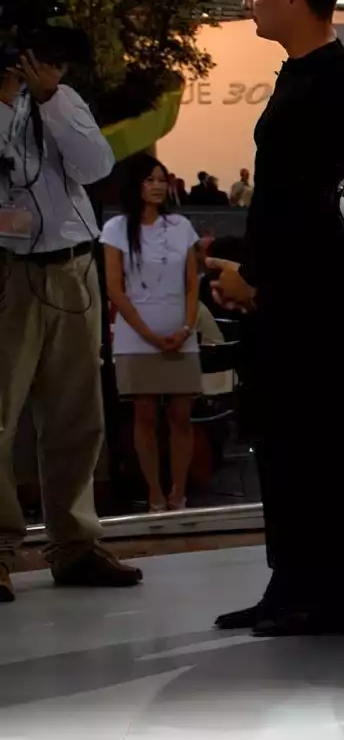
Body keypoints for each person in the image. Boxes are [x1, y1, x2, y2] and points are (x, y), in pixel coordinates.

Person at [206, 0, 344, 636]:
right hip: (288, 294)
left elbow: (312, 205)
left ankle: (338, 597)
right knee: (284, 444)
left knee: (323, 446)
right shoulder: (303, 76)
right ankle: (291, 584)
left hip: (317, 300)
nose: (247, 0)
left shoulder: (336, 84)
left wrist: (256, 277)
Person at [0, 30, 143, 604]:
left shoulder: (59, 98)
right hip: (7, 272)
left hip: (72, 267)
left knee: (76, 415)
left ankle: (75, 544)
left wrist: (51, 99)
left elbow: (95, 164)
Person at [102, 153, 203, 512]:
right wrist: (148, 334)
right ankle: (154, 492)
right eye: (150, 180)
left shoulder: (181, 226)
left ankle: (179, 492)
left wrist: (186, 328)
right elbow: (114, 289)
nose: (158, 186)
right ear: (136, 185)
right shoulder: (116, 229)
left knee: (181, 416)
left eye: (162, 179)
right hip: (135, 337)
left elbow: (192, 284)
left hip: (180, 334)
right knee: (144, 416)